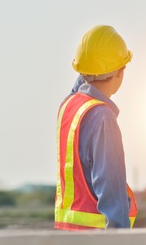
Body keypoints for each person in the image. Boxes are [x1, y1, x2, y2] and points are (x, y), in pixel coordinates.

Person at [55, 25, 137, 230]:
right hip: (97, 243)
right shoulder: (103, 119)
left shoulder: (69, 106)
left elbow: (80, 85)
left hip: (67, 238)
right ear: (121, 71)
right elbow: (111, 193)